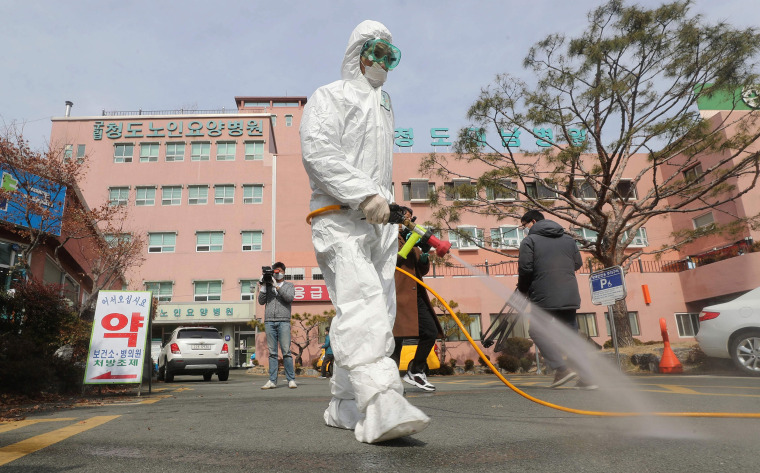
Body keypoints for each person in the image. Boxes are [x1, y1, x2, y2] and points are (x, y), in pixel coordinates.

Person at [301, 20, 430, 443]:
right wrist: (363, 195)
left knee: (376, 314)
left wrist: (388, 205)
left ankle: (343, 404)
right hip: (340, 218)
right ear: (356, 53)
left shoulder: (384, 105)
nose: (382, 63)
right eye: (375, 53)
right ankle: (382, 402)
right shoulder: (329, 96)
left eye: (390, 56)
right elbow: (319, 151)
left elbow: (378, 167)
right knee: (364, 306)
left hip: (378, 227)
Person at [517, 210, 596, 389]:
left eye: (524, 225)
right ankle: (587, 378)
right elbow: (577, 264)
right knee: (570, 334)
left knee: (537, 331)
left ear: (533, 221)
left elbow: (526, 269)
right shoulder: (568, 239)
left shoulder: (529, 241)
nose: (524, 229)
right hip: (569, 294)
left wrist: (522, 290)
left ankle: (561, 369)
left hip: (543, 295)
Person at [392, 210, 444, 392]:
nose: (407, 220)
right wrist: (409, 242)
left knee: (430, 331)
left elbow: (421, 269)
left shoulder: (409, 237)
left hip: (416, 293)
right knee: (396, 339)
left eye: (409, 217)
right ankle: (391, 382)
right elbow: (392, 262)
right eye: (404, 217)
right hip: (396, 295)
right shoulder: (388, 237)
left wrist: (424, 252)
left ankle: (416, 370)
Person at [257, 262, 297, 389]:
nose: (276, 273)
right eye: (274, 271)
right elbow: (261, 301)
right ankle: (272, 381)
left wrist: (277, 287)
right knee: (272, 353)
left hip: (284, 321)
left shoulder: (289, 285)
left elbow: (289, 298)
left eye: (278, 271)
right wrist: (263, 286)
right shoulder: (268, 287)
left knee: (286, 351)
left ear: (284, 272)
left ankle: (291, 379)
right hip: (269, 321)